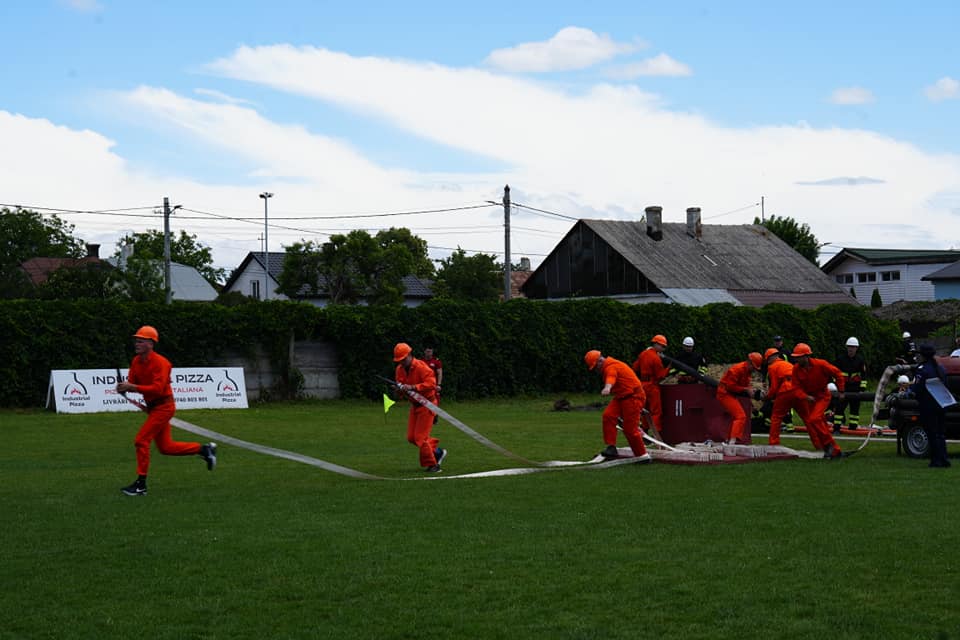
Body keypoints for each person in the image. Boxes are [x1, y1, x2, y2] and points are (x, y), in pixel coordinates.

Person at [116, 325, 217, 496]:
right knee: (166, 447)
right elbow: (134, 384)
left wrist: (131, 387)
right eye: (136, 340)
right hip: (154, 408)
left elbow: (157, 389)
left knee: (141, 440)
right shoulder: (136, 361)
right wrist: (123, 388)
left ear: (151, 343)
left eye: (141, 341)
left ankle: (141, 485)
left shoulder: (162, 363)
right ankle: (204, 450)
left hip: (164, 407)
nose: (136, 343)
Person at [584, 350, 649, 461]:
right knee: (608, 415)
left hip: (633, 397)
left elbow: (611, 377)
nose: (596, 370)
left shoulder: (611, 367)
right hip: (621, 397)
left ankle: (643, 456)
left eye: (595, 367)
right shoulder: (609, 365)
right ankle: (611, 447)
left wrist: (607, 388)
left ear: (600, 361)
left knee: (630, 429)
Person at [787, 343, 845, 459]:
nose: (797, 359)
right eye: (796, 357)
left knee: (814, 419)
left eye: (799, 357)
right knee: (819, 423)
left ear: (806, 356)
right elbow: (795, 388)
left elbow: (838, 373)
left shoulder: (821, 364)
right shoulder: (796, 369)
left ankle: (828, 445)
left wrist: (841, 391)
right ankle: (834, 450)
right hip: (811, 399)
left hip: (823, 396)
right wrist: (805, 396)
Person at [393, 342, 445, 473]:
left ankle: (433, 465)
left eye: (404, 359)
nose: (402, 362)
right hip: (415, 406)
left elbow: (431, 384)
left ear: (410, 355)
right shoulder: (399, 370)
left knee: (420, 438)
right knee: (411, 438)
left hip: (427, 404)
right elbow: (402, 391)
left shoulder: (422, 367)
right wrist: (399, 390)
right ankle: (437, 452)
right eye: (399, 360)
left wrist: (413, 387)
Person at [911, 344, 951, 468]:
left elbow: (918, 388)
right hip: (941, 404)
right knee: (940, 433)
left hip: (928, 406)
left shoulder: (922, 369)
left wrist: (908, 392)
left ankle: (936, 460)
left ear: (923, 355)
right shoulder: (940, 368)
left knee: (932, 433)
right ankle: (944, 459)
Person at [717, 352, 763, 444]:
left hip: (730, 394)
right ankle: (732, 441)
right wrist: (746, 389)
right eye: (754, 367)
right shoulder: (736, 370)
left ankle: (730, 440)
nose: (754, 370)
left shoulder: (747, 372)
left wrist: (751, 401)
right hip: (724, 393)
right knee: (740, 416)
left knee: (737, 416)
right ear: (749, 362)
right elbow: (730, 387)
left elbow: (743, 389)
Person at [632, 335, 671, 439]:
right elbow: (661, 375)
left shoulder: (643, 354)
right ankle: (656, 435)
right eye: (662, 346)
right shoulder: (656, 358)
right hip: (652, 386)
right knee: (656, 411)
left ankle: (644, 433)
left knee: (645, 410)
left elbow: (635, 367)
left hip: (642, 385)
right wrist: (669, 368)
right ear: (656, 344)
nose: (663, 349)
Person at [833, 337, 867, 430]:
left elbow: (863, 376)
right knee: (839, 408)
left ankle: (853, 427)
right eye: (849, 347)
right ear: (847, 347)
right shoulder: (840, 359)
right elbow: (834, 373)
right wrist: (837, 387)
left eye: (853, 347)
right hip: (843, 388)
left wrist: (862, 389)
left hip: (855, 389)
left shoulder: (860, 360)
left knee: (854, 409)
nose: (851, 349)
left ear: (857, 348)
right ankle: (836, 428)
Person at [762, 348, 794, 446]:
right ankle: (820, 442)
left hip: (786, 389)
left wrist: (768, 397)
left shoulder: (772, 367)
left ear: (770, 358)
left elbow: (774, 387)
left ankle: (773, 443)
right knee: (807, 417)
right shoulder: (787, 364)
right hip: (799, 389)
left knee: (776, 417)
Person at [423, 346, 443, 424]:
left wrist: (439, 384)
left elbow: (440, 373)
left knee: (435, 401)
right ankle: (424, 418)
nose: (429, 353)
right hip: (424, 385)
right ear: (424, 352)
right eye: (427, 351)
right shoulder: (421, 361)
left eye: (430, 352)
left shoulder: (436, 361)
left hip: (433, 386)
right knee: (423, 401)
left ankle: (435, 419)